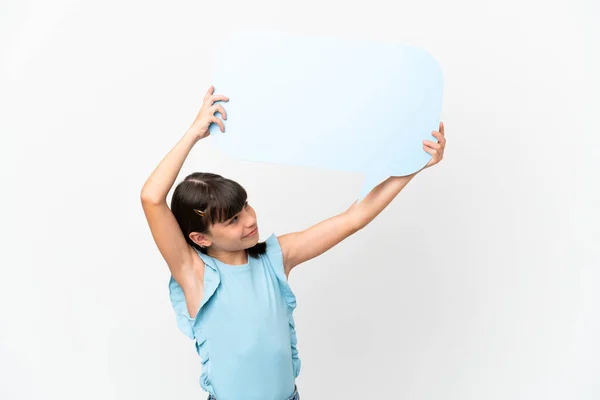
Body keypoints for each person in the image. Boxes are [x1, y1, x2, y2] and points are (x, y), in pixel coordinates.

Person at [140, 85, 446, 400]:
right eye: (233, 220)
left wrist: (414, 166)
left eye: (246, 205)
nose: (249, 220)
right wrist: (194, 132)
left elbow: (355, 217)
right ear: (201, 237)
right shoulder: (193, 273)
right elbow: (151, 198)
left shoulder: (276, 256)